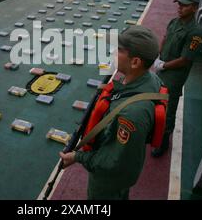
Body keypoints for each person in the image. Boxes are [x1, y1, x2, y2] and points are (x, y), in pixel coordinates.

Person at [60, 26, 164, 200]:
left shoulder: (132, 114)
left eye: (120, 50)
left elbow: (113, 163)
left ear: (135, 62)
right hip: (119, 175)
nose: (114, 52)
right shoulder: (150, 80)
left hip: (107, 182)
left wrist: (77, 157)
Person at [152, 0, 202, 157]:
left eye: (185, 5)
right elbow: (165, 39)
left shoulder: (196, 33)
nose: (180, 7)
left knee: (168, 109)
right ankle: (154, 132)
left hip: (174, 76)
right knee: (155, 102)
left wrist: (164, 65)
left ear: (195, 8)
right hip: (162, 69)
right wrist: (158, 57)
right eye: (179, 4)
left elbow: (185, 60)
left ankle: (163, 141)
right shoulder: (174, 22)